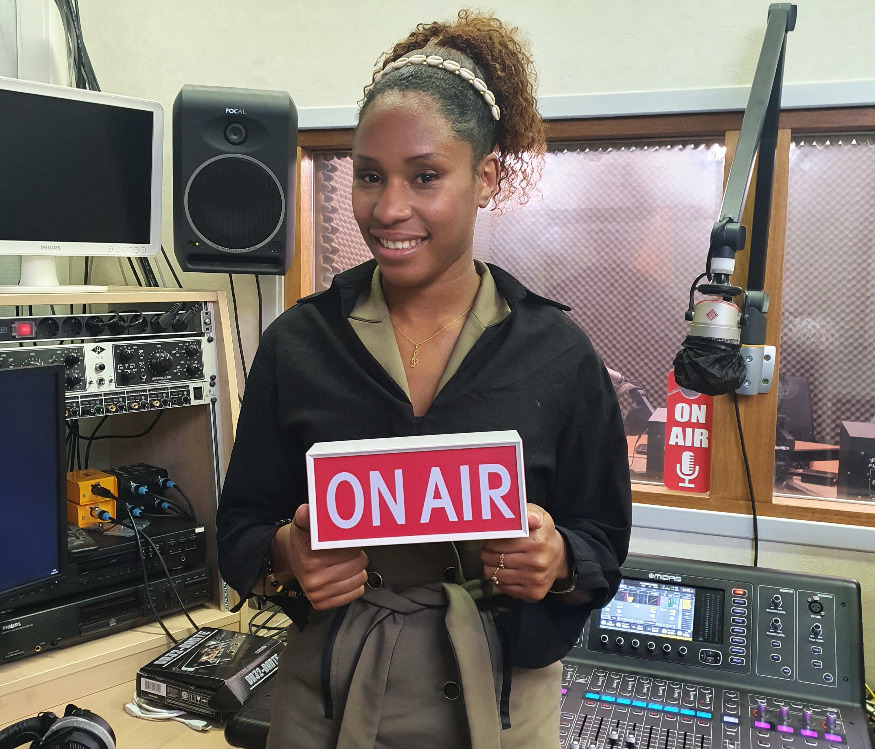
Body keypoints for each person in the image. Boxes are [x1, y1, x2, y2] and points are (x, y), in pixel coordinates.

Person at [217, 10, 632, 748]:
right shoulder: (298, 345)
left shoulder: (557, 353)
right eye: (369, 176)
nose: (388, 209)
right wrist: (287, 554)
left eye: (425, 176)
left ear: (485, 177)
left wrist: (558, 559)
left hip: (501, 706)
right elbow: (241, 525)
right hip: (326, 701)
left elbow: (601, 531)